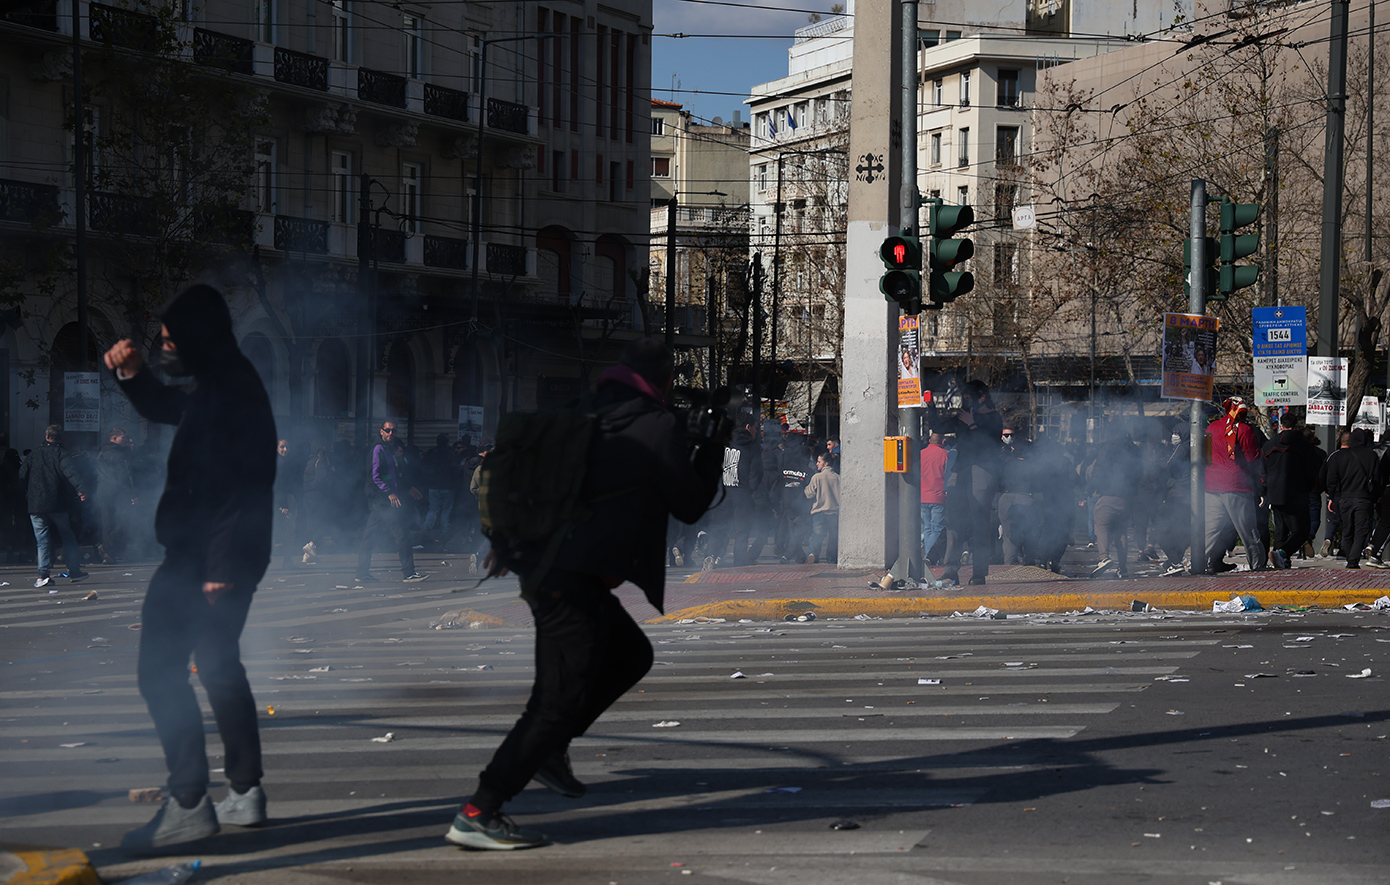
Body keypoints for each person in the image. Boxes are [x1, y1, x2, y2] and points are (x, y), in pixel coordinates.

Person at [447, 338, 722, 850]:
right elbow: (689, 504)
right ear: (662, 383)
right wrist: (711, 446)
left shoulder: (583, 411)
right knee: (551, 704)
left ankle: (550, 750)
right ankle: (479, 810)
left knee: (630, 654)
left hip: (559, 571)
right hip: (568, 579)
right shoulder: (653, 424)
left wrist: (507, 541)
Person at [103, 284, 277, 853]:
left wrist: (218, 566)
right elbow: (167, 407)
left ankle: (188, 803)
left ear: (198, 338)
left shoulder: (232, 390)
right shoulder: (221, 383)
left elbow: (243, 481)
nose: (164, 347)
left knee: (159, 671)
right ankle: (245, 794)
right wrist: (131, 375)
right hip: (216, 555)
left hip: (205, 558)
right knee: (219, 664)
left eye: (172, 339)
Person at [940, 380, 1004, 585]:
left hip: (983, 470)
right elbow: (938, 427)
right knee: (954, 520)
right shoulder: (964, 415)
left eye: (969, 397)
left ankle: (979, 572)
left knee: (979, 521)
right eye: (964, 398)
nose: (966, 401)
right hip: (961, 469)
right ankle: (950, 569)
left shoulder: (993, 417)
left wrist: (972, 424)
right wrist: (933, 409)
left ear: (981, 397)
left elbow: (992, 446)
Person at [355, 420, 426, 583]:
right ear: (381, 431)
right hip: (381, 501)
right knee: (401, 535)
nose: (390, 433)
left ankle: (362, 573)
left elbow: (392, 476)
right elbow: (375, 476)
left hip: (384, 501)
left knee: (373, 536)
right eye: (387, 430)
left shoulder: (389, 450)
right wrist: (390, 494)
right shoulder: (378, 448)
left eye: (393, 431)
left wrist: (407, 488)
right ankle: (408, 573)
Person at [20, 424, 90, 588]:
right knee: (67, 536)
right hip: (56, 502)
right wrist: (81, 490)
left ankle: (42, 574)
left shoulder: (34, 454)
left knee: (42, 540)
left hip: (36, 503)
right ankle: (74, 571)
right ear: (61, 438)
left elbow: (22, 475)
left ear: (47, 436)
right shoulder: (61, 454)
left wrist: (28, 492)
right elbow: (71, 473)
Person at [1203, 396, 1266, 572]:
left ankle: (1197, 564)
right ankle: (1257, 565)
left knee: (1209, 530)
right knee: (1248, 531)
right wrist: (1259, 484)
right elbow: (1252, 459)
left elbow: (1206, 456)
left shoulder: (1211, 427)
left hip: (1212, 486)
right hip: (1236, 485)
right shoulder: (1245, 430)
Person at [1263, 412, 1319, 569]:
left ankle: (1281, 559)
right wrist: (1308, 488)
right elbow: (1313, 471)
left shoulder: (1269, 445)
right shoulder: (1304, 446)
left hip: (1274, 493)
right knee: (1302, 530)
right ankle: (1283, 553)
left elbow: (1261, 470)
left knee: (1280, 529)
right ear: (1296, 426)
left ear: (1281, 426)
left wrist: (1264, 489)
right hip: (1296, 492)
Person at [1321, 428, 1381, 570]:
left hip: (1345, 497)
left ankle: (1350, 557)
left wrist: (1331, 496)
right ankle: (1353, 559)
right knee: (1361, 530)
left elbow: (1332, 478)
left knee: (1347, 530)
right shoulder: (1371, 455)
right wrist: (1374, 498)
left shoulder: (1339, 456)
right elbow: (1377, 479)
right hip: (1363, 497)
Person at [95, 426, 136, 563]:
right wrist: (131, 494)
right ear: (114, 439)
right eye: (123, 438)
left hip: (103, 490)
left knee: (107, 522)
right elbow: (125, 476)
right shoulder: (119, 454)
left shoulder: (101, 452)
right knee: (123, 520)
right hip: (117, 492)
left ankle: (109, 553)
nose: (126, 440)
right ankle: (108, 548)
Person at [920, 427, 952, 564]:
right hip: (938, 497)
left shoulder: (921, 453)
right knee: (937, 529)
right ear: (943, 440)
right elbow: (949, 475)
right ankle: (930, 557)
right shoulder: (946, 454)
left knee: (927, 528)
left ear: (929, 440)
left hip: (922, 496)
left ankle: (927, 557)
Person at [804, 451, 840, 563]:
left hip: (819, 513)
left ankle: (812, 554)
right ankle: (832, 559)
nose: (817, 464)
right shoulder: (838, 478)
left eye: (819, 462)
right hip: (834, 513)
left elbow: (808, 494)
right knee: (833, 538)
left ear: (826, 464)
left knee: (817, 536)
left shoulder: (817, 477)